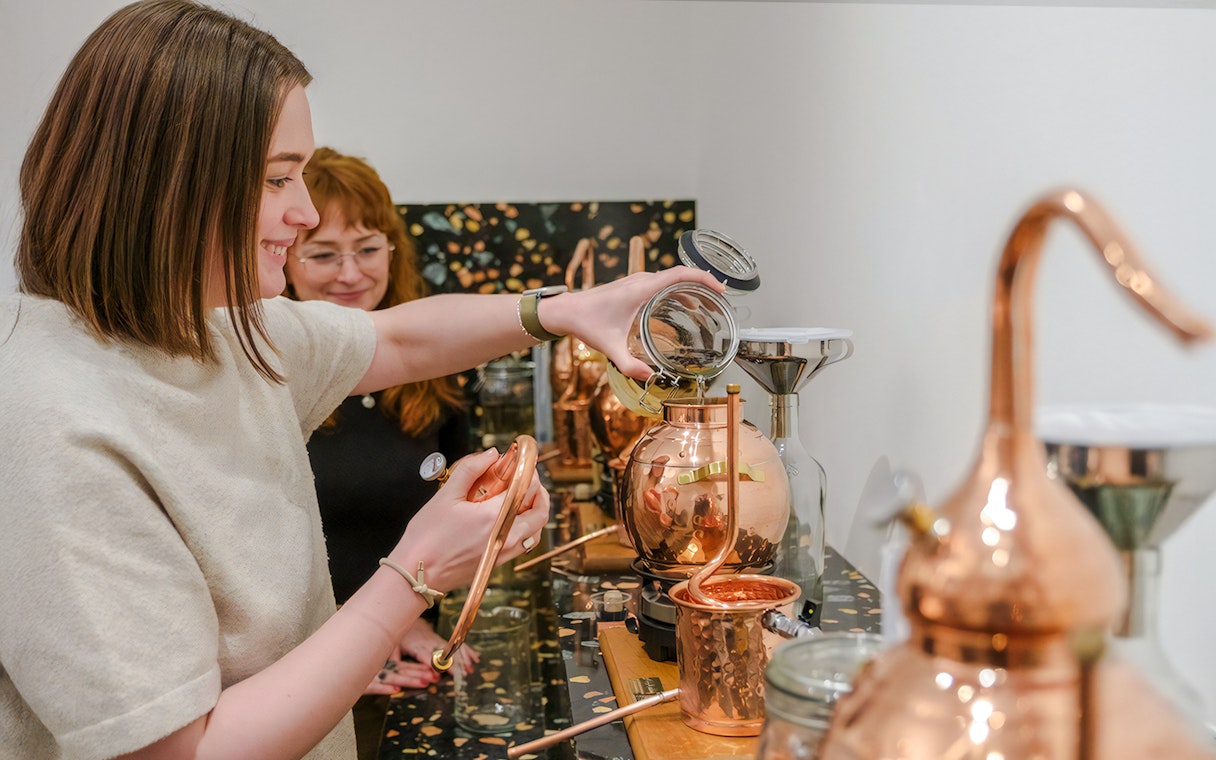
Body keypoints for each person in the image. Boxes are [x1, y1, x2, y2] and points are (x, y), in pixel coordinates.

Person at [0, 2, 722, 759]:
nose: (305, 213)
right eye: (278, 179)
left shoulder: (205, 326)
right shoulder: (52, 424)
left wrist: (569, 309)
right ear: (167, 184)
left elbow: (398, 340)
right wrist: (416, 575)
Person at [283, 147, 475, 757]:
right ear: (281, 258)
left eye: (367, 249)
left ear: (393, 249)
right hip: (297, 667)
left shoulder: (436, 367)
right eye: (322, 254)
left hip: (407, 647)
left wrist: (408, 619)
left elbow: (456, 504)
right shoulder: (268, 377)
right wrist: (351, 643)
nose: (350, 274)